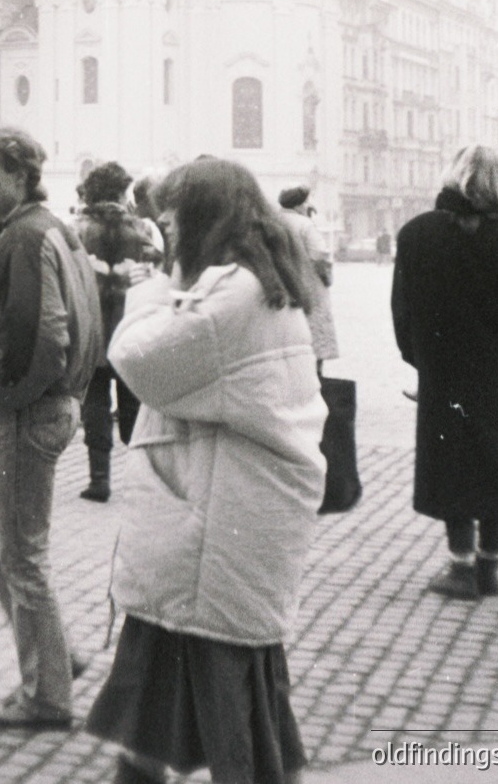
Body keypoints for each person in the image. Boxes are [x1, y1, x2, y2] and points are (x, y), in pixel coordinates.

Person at [86, 157, 325, 784]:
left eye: (168, 221)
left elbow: (136, 358)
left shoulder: (233, 293)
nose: (162, 234)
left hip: (211, 529)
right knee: (189, 681)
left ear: (198, 220)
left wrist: (154, 287)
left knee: (227, 708)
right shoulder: (258, 280)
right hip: (219, 521)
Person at [0, 127, 103, 730]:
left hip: (26, 410)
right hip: (42, 406)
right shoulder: (49, 226)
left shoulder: (25, 234)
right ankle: (55, 656)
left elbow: (46, 336)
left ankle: (46, 697)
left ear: (19, 176)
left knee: (22, 555)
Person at [391, 145, 498, 599]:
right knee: (496, 466)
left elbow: (402, 310)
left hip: (444, 373)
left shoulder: (417, 233)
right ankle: (489, 568)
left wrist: (420, 360)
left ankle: (459, 568)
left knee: (451, 463)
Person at [76, 161, 161, 503]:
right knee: (132, 401)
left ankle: (99, 479)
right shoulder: (140, 228)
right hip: (129, 324)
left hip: (92, 327)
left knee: (94, 400)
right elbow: (156, 265)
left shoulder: (78, 229)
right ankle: (141, 478)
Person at [278, 187, 339, 372]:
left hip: (281, 286)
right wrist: (326, 277)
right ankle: (317, 377)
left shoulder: (273, 221)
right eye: (305, 201)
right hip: (307, 287)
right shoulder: (304, 224)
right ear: (298, 205)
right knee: (314, 337)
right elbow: (319, 254)